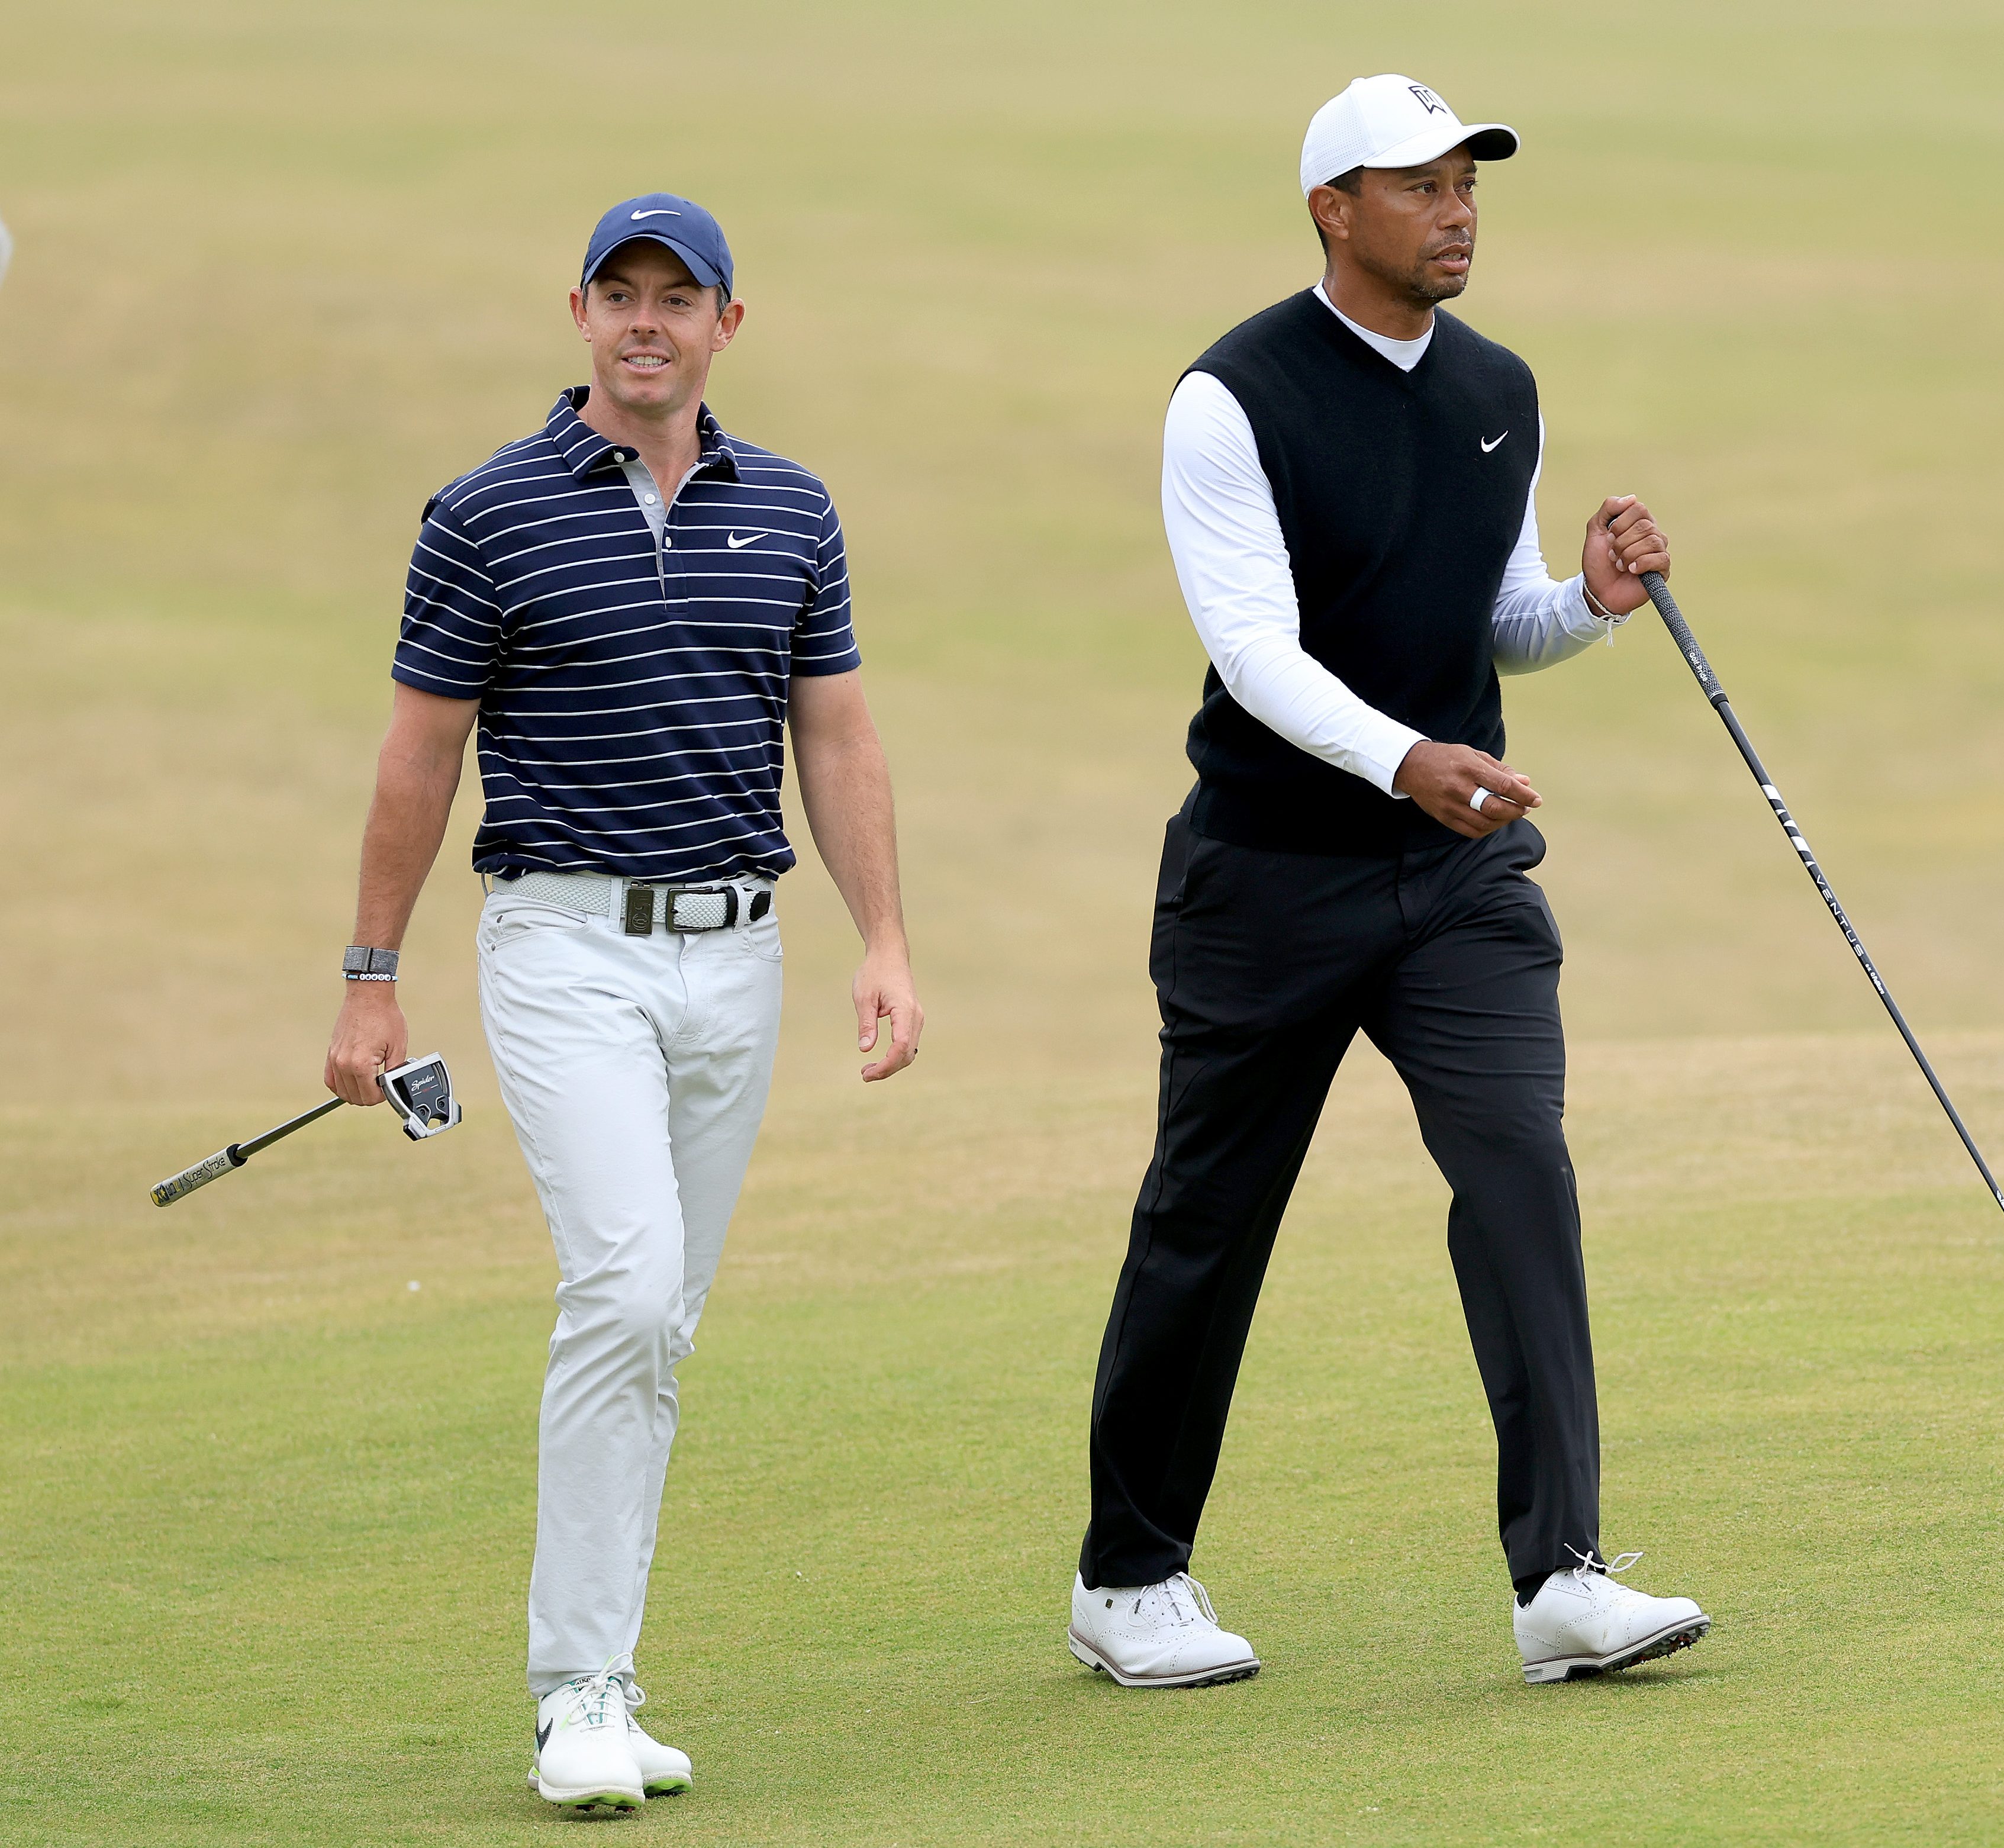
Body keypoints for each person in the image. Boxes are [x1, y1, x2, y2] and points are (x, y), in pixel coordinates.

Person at [1068, 76, 1711, 1690]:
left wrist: (1594, 599)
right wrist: (1409, 757)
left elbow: (1496, 620)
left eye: (1467, 183)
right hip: (1266, 880)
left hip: (1456, 880)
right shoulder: (1230, 397)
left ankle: (1560, 1573)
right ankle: (1126, 1575)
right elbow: (1254, 653)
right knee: (1206, 1223)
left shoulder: (1499, 387)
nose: (1457, 211)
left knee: (1518, 1168)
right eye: (1418, 186)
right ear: (1329, 213)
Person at [321, 194, 920, 1809]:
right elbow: (418, 755)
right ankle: (572, 1689)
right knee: (631, 1282)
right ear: (578, 313)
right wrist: (371, 979)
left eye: (680, 297)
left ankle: (609, 1673)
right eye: (619, 294)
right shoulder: (487, 513)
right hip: (566, 945)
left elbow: (839, 737)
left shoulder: (790, 511)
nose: (646, 320)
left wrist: (884, 940)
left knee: (662, 1322)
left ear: (730, 323)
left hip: (739, 951)